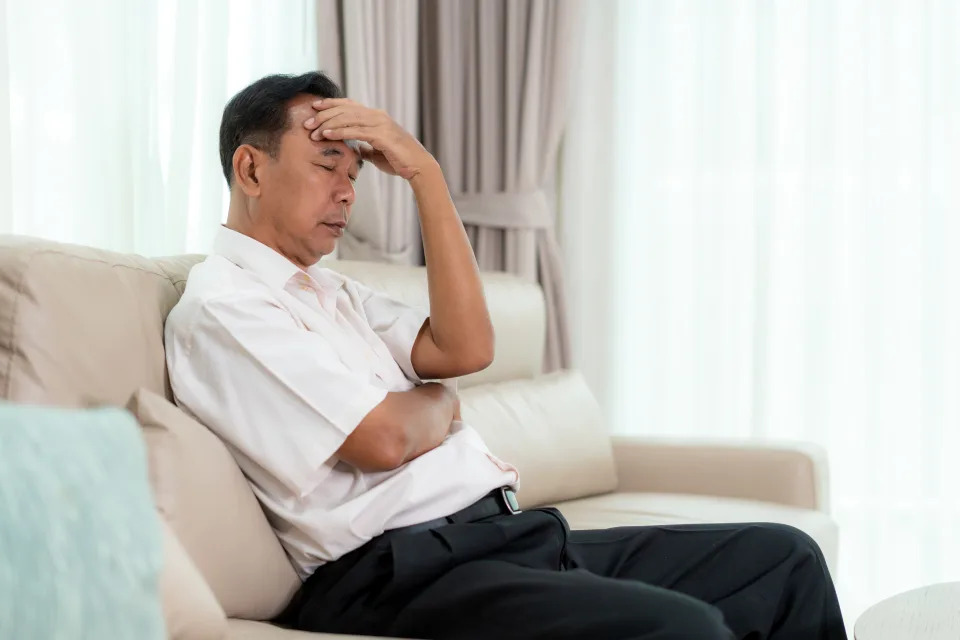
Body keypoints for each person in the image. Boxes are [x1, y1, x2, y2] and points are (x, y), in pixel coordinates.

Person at [164, 71, 847, 640]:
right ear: (251, 169)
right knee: (682, 629)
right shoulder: (226, 307)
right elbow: (384, 439)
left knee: (784, 561)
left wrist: (425, 173)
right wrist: (439, 401)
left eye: (355, 173)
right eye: (325, 166)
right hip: (394, 573)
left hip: (499, 539)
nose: (346, 190)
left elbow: (466, 347)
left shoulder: (333, 292)